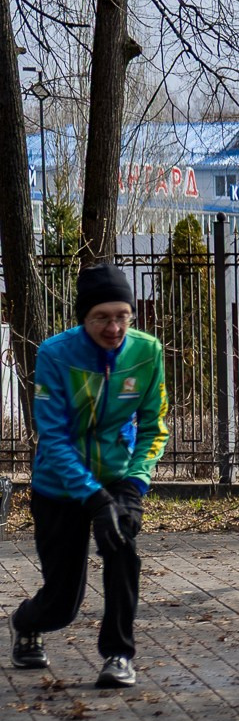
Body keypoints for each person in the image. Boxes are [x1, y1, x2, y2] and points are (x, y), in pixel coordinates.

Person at [11, 266, 165, 688]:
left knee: (122, 550)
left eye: (123, 316)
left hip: (117, 477)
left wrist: (133, 487)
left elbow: (154, 427)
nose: (114, 327)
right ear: (84, 317)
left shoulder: (147, 352)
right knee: (63, 604)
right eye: (102, 317)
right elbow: (54, 436)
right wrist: (94, 499)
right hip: (59, 484)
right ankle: (26, 622)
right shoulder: (55, 354)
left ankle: (118, 654)